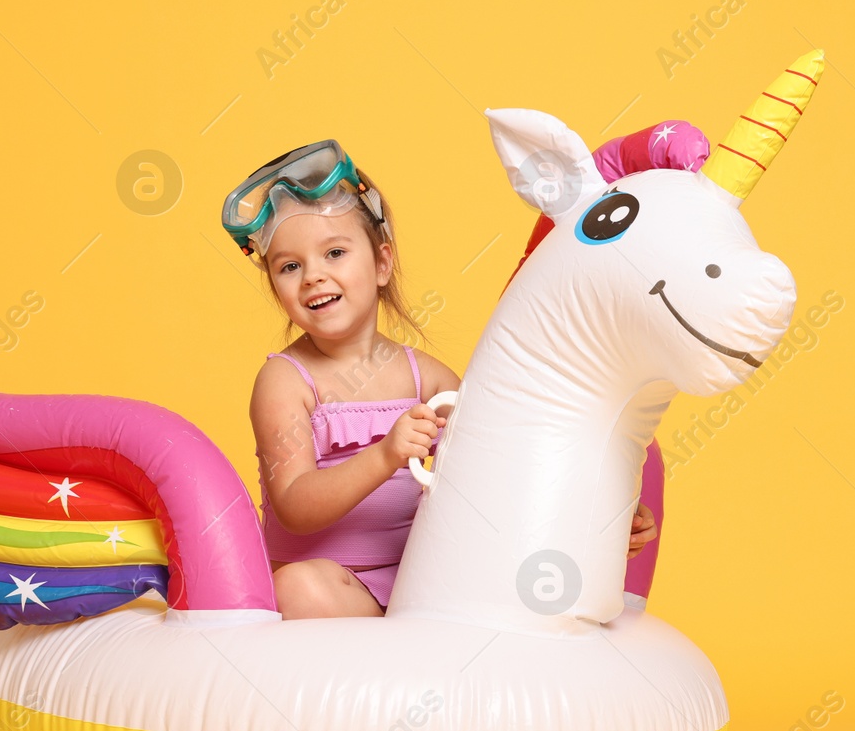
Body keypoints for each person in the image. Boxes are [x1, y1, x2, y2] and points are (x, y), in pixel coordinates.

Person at [223, 140, 656, 620]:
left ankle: (418, 630)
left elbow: (499, 470)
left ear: (382, 263)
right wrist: (385, 455)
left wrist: (597, 525)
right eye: (289, 266)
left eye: (335, 253)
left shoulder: (427, 379)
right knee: (298, 589)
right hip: (330, 585)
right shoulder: (284, 381)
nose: (313, 277)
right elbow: (294, 505)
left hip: (421, 578)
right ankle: (400, 640)